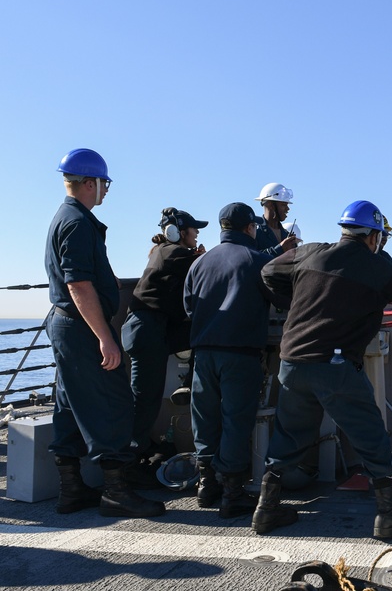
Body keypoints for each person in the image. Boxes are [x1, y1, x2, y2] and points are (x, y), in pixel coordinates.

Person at [251, 200, 392, 539]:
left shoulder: (311, 251)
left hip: (293, 362)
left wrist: (296, 301)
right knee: (370, 434)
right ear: (373, 236)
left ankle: (266, 510)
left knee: (290, 434)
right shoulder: (378, 266)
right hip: (335, 367)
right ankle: (388, 515)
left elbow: (267, 272)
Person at [45, 148, 165, 518]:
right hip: (80, 328)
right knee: (112, 402)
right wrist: (105, 337)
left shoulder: (68, 218)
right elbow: (78, 284)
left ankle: (71, 489)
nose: (107, 190)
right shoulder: (78, 223)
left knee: (69, 404)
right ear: (89, 183)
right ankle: (116, 492)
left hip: (65, 326)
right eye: (104, 184)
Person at [183, 202, 275, 518]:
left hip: (203, 353)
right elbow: (281, 300)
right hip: (240, 353)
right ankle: (233, 493)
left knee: (204, 417)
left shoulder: (199, 263)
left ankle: (206, 485)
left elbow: (189, 307)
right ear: (250, 228)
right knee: (236, 420)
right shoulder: (258, 261)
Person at [121, 208, 208, 480]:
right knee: (144, 401)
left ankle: (140, 446)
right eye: (194, 230)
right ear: (180, 233)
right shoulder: (176, 253)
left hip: (151, 330)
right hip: (147, 332)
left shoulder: (163, 252)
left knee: (203, 329)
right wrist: (202, 256)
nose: (197, 235)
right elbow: (210, 265)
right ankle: (129, 464)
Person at [254, 183, 301, 258]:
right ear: (271, 205)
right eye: (283, 205)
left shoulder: (286, 235)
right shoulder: (255, 232)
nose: (288, 209)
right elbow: (251, 258)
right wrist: (280, 249)